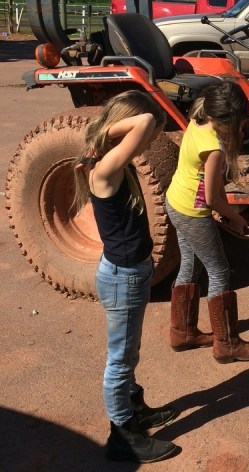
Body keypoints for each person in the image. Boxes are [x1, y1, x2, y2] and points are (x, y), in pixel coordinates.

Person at [74, 90, 179, 463]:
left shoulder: (114, 163)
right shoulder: (104, 168)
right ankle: (121, 434)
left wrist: (107, 132)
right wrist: (107, 132)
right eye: (144, 139)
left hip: (129, 273)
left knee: (128, 353)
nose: (147, 141)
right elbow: (147, 120)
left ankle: (135, 411)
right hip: (122, 278)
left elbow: (145, 125)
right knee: (119, 359)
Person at [165, 81, 249, 362]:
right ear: (229, 121)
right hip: (193, 212)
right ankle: (227, 344)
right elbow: (211, 197)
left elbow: (210, 185)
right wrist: (236, 218)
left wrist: (227, 212)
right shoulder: (215, 148)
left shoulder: (198, 121)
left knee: (191, 263)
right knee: (219, 270)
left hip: (177, 201)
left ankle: (182, 332)